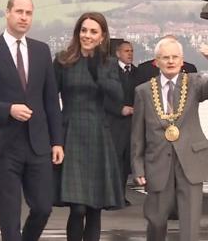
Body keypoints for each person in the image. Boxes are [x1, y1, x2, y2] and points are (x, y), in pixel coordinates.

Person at [0, 0, 64, 241]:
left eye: (29, 13)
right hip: (3, 148)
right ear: (7, 13)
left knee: (43, 207)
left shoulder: (42, 51)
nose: (24, 17)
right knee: (9, 221)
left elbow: (51, 101)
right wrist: (7, 109)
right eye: (19, 12)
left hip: (38, 146)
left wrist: (57, 141)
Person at [131, 37, 208, 241]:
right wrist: (137, 166)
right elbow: (137, 134)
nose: (171, 61)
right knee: (156, 220)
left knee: (190, 223)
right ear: (157, 62)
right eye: (166, 57)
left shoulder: (194, 82)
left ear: (182, 61)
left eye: (175, 57)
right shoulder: (144, 91)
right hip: (157, 162)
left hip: (190, 161)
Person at [54, 12, 125, 241]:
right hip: (71, 133)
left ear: (102, 36)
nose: (87, 35)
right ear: (78, 33)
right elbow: (49, 99)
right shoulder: (63, 60)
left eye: (93, 31)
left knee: (95, 207)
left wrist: (97, 71)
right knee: (78, 208)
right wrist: (54, 138)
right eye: (84, 30)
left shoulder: (109, 63)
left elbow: (117, 97)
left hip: (97, 135)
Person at [104, 40, 136, 206]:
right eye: (126, 51)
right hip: (114, 123)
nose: (130, 54)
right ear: (117, 54)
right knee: (113, 160)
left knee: (124, 162)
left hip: (131, 124)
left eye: (131, 51)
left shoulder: (136, 73)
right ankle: (109, 197)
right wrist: (119, 109)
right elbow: (102, 97)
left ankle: (120, 196)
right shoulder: (109, 72)